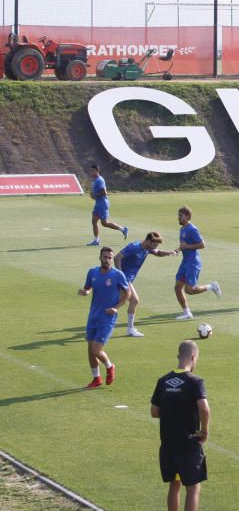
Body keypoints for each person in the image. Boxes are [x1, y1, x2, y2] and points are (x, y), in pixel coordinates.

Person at [150, 340, 212, 511]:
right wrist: (204, 430)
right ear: (193, 357)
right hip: (188, 444)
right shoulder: (195, 381)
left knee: (174, 484)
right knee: (193, 488)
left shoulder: (163, 380)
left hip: (168, 444)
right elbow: (204, 408)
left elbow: (154, 412)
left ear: (179, 356)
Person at [78, 246, 129, 388]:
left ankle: (110, 366)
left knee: (96, 350)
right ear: (100, 257)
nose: (107, 260)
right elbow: (88, 288)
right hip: (93, 316)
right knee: (90, 350)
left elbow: (127, 294)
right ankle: (96, 378)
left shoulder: (118, 275)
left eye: (110, 258)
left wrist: (116, 308)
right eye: (105, 257)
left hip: (107, 318)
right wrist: (85, 292)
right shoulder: (92, 272)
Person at [115, 231, 177, 337]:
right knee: (134, 300)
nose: (154, 247)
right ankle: (130, 329)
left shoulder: (147, 248)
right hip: (123, 278)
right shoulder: (134, 247)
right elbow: (117, 258)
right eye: (154, 245)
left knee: (116, 302)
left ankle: (102, 319)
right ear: (148, 241)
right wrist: (121, 275)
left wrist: (169, 253)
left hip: (127, 279)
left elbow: (157, 252)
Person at [174, 206, 221, 321]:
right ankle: (187, 313)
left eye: (181, 216)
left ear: (188, 217)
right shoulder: (182, 229)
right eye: (178, 215)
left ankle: (212, 286)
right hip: (185, 262)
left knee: (189, 290)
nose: (179, 218)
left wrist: (187, 246)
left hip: (193, 263)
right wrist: (178, 249)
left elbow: (202, 244)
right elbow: (184, 245)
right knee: (177, 287)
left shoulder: (192, 229)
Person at [86, 164, 128, 246]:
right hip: (98, 204)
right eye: (90, 171)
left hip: (102, 204)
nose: (90, 172)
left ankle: (123, 229)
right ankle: (96, 240)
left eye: (92, 171)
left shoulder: (99, 180)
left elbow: (104, 192)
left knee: (104, 223)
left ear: (97, 171)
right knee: (94, 221)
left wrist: (95, 195)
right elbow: (95, 192)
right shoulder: (94, 180)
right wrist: (93, 195)